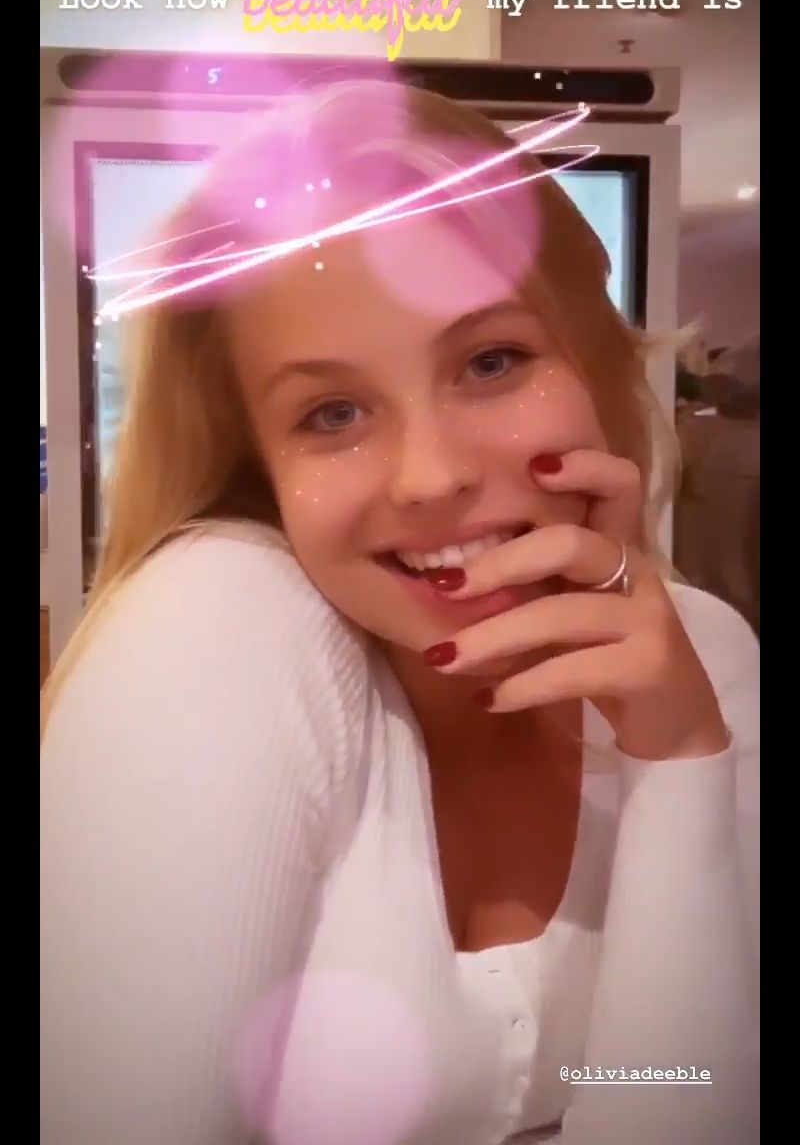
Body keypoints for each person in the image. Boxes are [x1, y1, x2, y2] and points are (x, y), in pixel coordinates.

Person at [40, 80, 759, 1145]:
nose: (431, 476)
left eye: (492, 360)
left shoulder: (701, 653)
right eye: (331, 413)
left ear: (597, 361)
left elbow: (678, 1092)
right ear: (258, 464)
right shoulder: (220, 626)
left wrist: (683, 762)